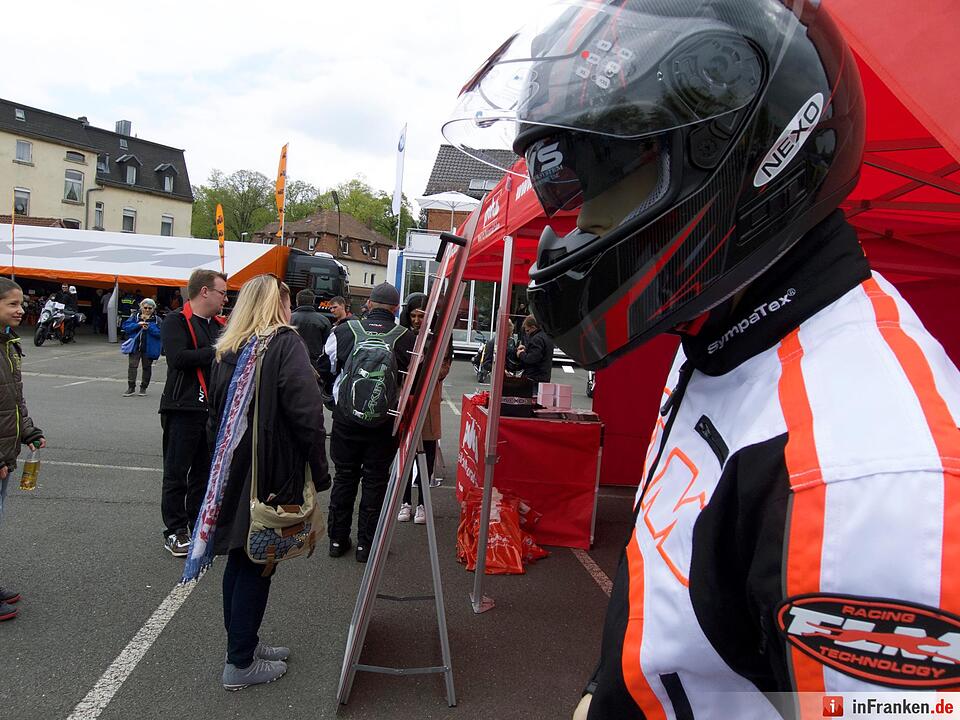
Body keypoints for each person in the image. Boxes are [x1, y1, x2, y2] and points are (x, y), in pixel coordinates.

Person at [451, 1, 960, 717]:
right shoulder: (728, 342)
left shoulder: (866, 477)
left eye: (610, 171)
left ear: (739, 155)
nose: (581, 224)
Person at [193, 274, 329, 691]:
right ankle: (239, 663)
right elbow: (307, 413)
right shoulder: (283, 344)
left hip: (231, 468)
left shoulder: (228, 348)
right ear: (276, 305)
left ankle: (244, 644)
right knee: (259, 559)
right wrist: (319, 470)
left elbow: (215, 415)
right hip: (268, 470)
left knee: (240, 555)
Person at [321, 282, 414, 562]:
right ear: (396, 308)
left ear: (369, 304)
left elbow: (325, 368)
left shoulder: (344, 330)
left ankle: (337, 540)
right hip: (383, 422)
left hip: (346, 419)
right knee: (375, 480)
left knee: (345, 476)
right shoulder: (406, 338)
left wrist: (334, 400)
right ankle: (367, 545)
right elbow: (411, 381)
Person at [158, 269, 228, 557]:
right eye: (222, 292)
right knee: (176, 473)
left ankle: (197, 523)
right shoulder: (175, 320)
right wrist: (219, 350)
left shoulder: (218, 324)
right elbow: (178, 358)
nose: (225, 298)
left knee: (202, 473)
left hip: (209, 410)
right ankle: (174, 531)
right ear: (204, 292)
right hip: (182, 407)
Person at [0, 278, 45, 622]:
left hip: (8, 449)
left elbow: (14, 399)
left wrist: (27, 431)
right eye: (12, 304)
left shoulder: (9, 343)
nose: (20, 310)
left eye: (21, 304)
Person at [396, 293, 453, 524]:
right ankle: (406, 500)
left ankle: (422, 503)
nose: (418, 320)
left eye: (422, 316)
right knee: (405, 450)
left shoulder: (440, 336)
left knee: (428, 449)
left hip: (429, 398)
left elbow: (446, 366)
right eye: (413, 316)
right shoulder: (401, 335)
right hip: (406, 397)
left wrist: (428, 369)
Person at [121, 298, 162, 397]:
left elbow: (161, 333)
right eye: (145, 307)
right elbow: (126, 327)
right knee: (132, 366)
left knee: (147, 367)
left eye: (150, 308)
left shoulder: (157, 319)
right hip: (135, 346)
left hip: (149, 348)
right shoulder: (135, 316)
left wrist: (149, 327)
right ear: (141, 307)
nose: (147, 310)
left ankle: (143, 387)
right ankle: (131, 387)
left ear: (153, 309)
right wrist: (137, 325)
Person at [290, 289, 331, 372]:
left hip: (290, 361)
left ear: (297, 301)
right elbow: (328, 346)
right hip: (314, 364)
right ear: (313, 301)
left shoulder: (288, 319)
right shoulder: (324, 321)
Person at [516, 314, 553, 384]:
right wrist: (526, 350)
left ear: (533, 327)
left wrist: (521, 353)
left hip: (534, 378)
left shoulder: (537, 339)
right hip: (543, 376)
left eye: (527, 330)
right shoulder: (546, 336)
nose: (527, 334)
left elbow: (531, 359)